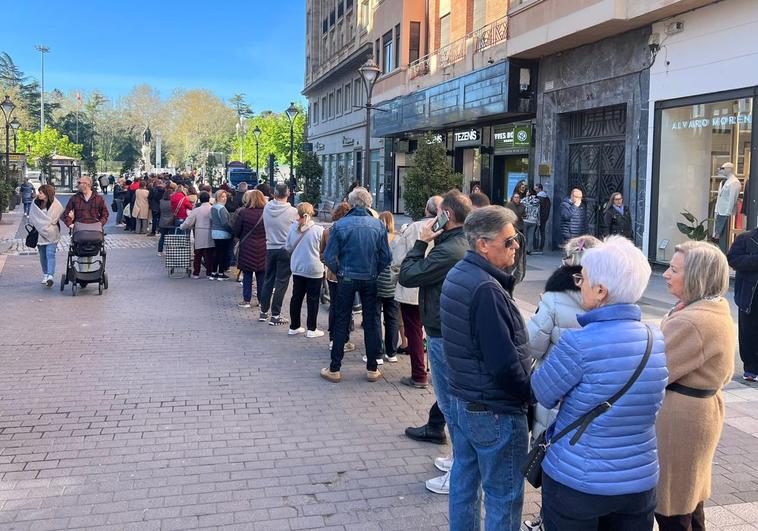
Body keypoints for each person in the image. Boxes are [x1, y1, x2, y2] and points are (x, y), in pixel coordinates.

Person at [531, 236, 668, 530]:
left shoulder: (577, 343)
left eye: (584, 278)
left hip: (577, 481)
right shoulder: (654, 339)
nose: (578, 283)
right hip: (638, 481)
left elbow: (542, 392)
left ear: (601, 291)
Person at [441, 205, 532, 530]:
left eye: (516, 239)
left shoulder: (461, 274)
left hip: (467, 400)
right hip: (494, 408)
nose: (516, 246)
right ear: (482, 244)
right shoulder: (485, 289)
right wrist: (529, 392)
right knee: (503, 497)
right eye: (509, 241)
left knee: (465, 480)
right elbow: (504, 364)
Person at [655, 241, 734, 530]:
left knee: (672, 505)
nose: (665, 274)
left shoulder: (692, 321)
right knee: (689, 498)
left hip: (680, 422)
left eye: (674, 270)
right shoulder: (710, 309)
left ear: (696, 277)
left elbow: (654, 370)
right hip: (698, 413)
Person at [400, 190, 471, 495]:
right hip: (445, 326)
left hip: (444, 331)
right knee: (449, 401)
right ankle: (459, 460)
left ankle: (461, 468)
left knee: (449, 403)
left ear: (448, 216)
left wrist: (421, 241)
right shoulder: (455, 242)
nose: (433, 218)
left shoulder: (449, 249)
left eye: (439, 213)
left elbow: (408, 274)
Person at [526, 235, 601, 442]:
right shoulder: (609, 296)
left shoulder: (553, 299)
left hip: (554, 387)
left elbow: (532, 346)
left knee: (547, 445)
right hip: (594, 391)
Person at [322, 186, 391, 383]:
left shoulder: (341, 225)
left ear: (351, 203)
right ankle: (372, 368)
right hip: (369, 277)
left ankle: (335, 368)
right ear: (369, 204)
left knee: (342, 319)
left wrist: (341, 271)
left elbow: (328, 255)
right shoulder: (378, 226)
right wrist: (374, 271)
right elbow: (386, 256)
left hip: (347, 277)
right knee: (372, 321)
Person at [393, 195, 442, 389]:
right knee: (435, 332)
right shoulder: (446, 230)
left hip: (412, 287)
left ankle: (419, 374)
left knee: (413, 331)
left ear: (426, 209)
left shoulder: (413, 229)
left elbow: (398, 260)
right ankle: (435, 374)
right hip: (437, 288)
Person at [259, 183, 299, 326]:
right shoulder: (293, 211)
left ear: (274, 194)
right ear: (288, 194)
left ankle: (263, 312)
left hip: (270, 247)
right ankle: (275, 314)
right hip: (286, 249)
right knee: (282, 282)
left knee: (268, 279)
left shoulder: (267, 208)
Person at [286, 202, 325, 338]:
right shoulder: (318, 230)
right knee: (313, 299)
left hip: (298, 267)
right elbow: (323, 248)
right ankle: (311, 328)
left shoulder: (292, 228)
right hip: (314, 268)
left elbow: (288, 247)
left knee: (296, 296)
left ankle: (294, 326)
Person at [320, 202, 356, 353]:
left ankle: (333, 338)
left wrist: (331, 266)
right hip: (349, 274)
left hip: (332, 275)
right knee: (346, 307)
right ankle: (345, 339)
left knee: (334, 306)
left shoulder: (327, 231)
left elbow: (322, 253)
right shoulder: (352, 230)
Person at [728, 227, 758, 381]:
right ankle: (751, 368)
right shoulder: (746, 238)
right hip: (750, 296)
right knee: (749, 332)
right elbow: (732, 259)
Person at [234, 190, 268, 308]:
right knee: (262, 275)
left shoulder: (244, 213)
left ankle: (246, 300)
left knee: (247, 274)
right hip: (264, 246)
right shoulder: (267, 213)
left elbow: (237, 231)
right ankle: (261, 301)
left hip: (247, 246)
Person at [374, 211, 400, 364]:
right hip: (392, 285)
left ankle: (377, 353)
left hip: (377, 284)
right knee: (392, 319)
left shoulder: (377, 239)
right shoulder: (398, 240)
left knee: (375, 318)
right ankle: (391, 352)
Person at [28, 184, 63, 287]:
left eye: (41, 192)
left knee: (50, 254)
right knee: (43, 256)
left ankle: (50, 276)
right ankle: (45, 273)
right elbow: (33, 218)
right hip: (39, 234)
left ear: (47, 194)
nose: (39, 194)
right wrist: (42, 224)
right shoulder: (35, 204)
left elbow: (54, 219)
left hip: (52, 233)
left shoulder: (56, 205)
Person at [180, 191, 215, 279]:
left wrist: (182, 227)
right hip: (210, 233)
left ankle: (196, 273)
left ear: (200, 199)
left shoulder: (196, 210)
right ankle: (209, 272)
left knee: (198, 254)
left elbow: (188, 222)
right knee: (209, 254)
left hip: (199, 232)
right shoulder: (213, 209)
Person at [210, 191, 233, 280]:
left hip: (215, 232)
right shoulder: (222, 209)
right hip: (223, 233)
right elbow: (225, 223)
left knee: (217, 253)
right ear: (218, 197)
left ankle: (213, 272)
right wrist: (231, 231)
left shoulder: (213, 208)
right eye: (222, 196)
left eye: (225, 196)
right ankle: (221, 273)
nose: (225, 198)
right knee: (223, 253)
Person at [522, 189, 541, 254]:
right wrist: (538, 221)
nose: (526, 192)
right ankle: (529, 250)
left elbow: (521, 207)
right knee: (531, 236)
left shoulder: (525, 200)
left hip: (525, 220)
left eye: (527, 191)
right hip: (534, 221)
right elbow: (538, 212)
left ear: (529, 193)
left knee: (525, 236)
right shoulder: (537, 201)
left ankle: (524, 249)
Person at [534, 183, 551, 254]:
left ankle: (535, 247)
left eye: (536, 189)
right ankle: (541, 247)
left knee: (533, 232)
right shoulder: (547, 198)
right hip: (544, 218)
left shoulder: (537, 198)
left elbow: (535, 209)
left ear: (540, 189)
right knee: (542, 232)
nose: (535, 190)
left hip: (537, 218)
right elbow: (548, 209)